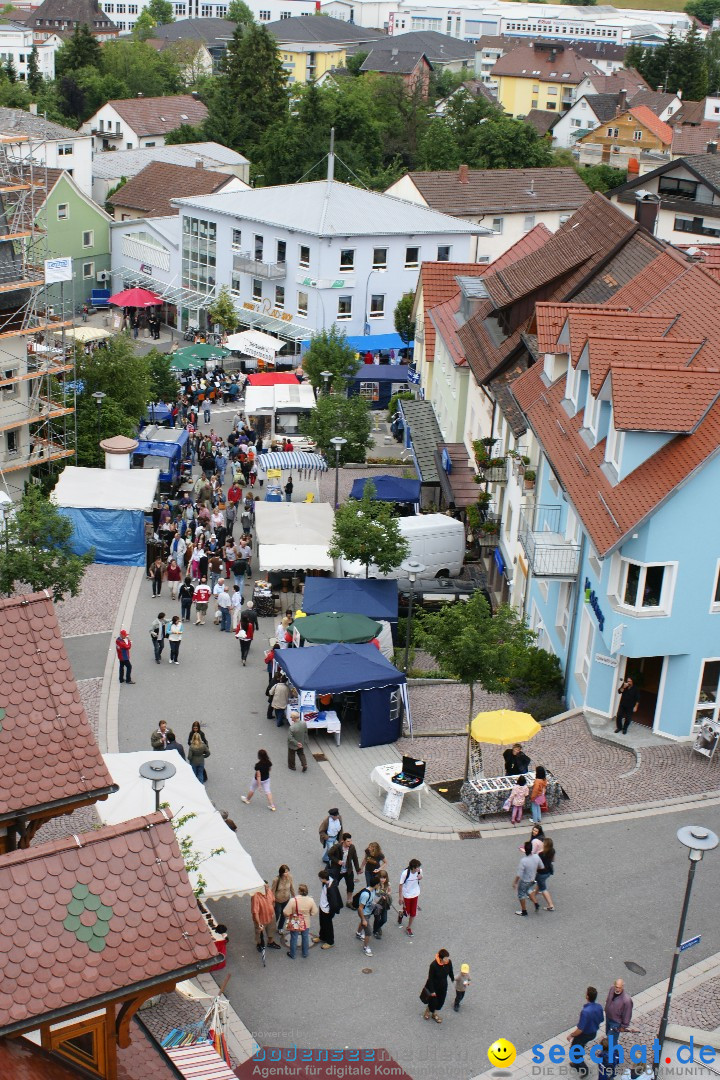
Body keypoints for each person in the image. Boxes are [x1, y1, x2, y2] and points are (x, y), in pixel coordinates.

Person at [566, 987, 604, 1075]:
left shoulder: (585, 1011)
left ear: (587, 996)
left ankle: (584, 1069)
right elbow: (601, 1019)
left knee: (574, 1050)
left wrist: (571, 1035)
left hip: (584, 1034)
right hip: (593, 1033)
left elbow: (580, 1029)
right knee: (580, 1047)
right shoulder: (599, 1007)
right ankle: (575, 1063)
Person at [284, 883, 318, 959]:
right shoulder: (310, 900)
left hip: (295, 921)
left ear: (299, 891)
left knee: (294, 937)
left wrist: (290, 915)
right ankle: (305, 953)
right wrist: (309, 914)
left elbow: (286, 912)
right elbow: (314, 911)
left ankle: (292, 954)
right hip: (306, 922)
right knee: (305, 937)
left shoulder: (293, 900)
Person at [421, 950, 454, 1024]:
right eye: (446, 958)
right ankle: (428, 1011)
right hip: (434, 986)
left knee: (440, 1002)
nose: (447, 959)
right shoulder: (433, 965)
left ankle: (434, 1013)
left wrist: (452, 977)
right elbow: (430, 978)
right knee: (433, 1002)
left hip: (443, 986)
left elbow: (450, 970)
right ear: (441, 958)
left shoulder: (448, 963)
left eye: (448, 958)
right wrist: (432, 991)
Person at [327, 833, 360, 907]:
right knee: (334, 885)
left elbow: (355, 858)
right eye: (348, 841)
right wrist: (337, 861)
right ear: (343, 841)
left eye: (350, 841)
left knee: (350, 885)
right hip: (337, 870)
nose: (350, 843)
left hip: (348, 870)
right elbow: (329, 854)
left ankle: (349, 902)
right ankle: (331, 900)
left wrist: (357, 869)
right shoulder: (337, 847)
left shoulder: (352, 847)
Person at [251, 882, 282, 953]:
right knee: (259, 933)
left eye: (267, 887)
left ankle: (270, 942)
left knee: (271, 929)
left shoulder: (269, 891)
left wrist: (272, 910)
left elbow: (273, 900)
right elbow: (255, 912)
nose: (267, 889)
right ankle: (259, 944)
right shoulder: (255, 896)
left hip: (271, 916)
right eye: (265, 887)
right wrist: (259, 924)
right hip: (261, 919)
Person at [514, 840, 542, 917]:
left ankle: (524, 911)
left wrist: (515, 882)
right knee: (528, 890)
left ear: (525, 850)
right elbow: (541, 867)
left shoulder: (524, 861)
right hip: (532, 879)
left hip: (525, 880)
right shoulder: (536, 857)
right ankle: (536, 903)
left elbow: (519, 874)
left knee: (521, 894)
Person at [317, 869, 342, 949]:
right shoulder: (328, 880)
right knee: (322, 923)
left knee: (328, 926)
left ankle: (330, 942)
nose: (320, 880)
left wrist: (330, 911)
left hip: (327, 910)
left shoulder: (331, 888)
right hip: (322, 906)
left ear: (324, 878)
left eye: (320, 878)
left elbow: (334, 904)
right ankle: (322, 937)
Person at [398, 859, 423, 936]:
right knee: (406, 912)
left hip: (415, 894)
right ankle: (401, 914)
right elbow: (400, 885)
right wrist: (400, 898)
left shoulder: (419, 871)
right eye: (417, 868)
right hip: (407, 895)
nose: (419, 869)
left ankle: (408, 928)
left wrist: (420, 877)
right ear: (413, 868)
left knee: (413, 913)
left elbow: (421, 877)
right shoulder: (405, 873)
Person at [271, 864, 296, 934]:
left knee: (284, 914)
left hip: (286, 899)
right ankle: (272, 927)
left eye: (288, 872)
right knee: (277, 913)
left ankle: (280, 927)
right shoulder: (276, 880)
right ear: (281, 872)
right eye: (285, 872)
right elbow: (272, 891)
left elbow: (292, 888)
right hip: (277, 900)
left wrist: (294, 897)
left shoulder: (290, 877)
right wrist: (272, 901)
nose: (287, 873)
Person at [354, 882, 376, 957]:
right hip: (364, 914)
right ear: (376, 885)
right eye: (379, 884)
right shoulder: (366, 895)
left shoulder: (373, 890)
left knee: (363, 924)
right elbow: (360, 908)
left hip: (367, 912)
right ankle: (365, 947)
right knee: (369, 932)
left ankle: (358, 933)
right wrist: (363, 919)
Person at [534, 837, 556, 911]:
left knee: (543, 889)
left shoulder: (541, 854)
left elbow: (538, 866)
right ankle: (534, 894)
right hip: (549, 871)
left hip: (542, 873)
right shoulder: (552, 850)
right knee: (540, 883)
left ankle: (551, 905)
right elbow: (553, 860)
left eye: (543, 843)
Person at [372, 869, 392, 940]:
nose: (383, 879)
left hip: (384, 904)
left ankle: (378, 927)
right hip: (377, 904)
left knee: (384, 919)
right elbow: (374, 893)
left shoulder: (388, 884)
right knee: (377, 918)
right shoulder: (376, 884)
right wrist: (380, 895)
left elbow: (389, 891)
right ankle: (375, 931)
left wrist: (386, 895)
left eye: (384, 878)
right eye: (381, 878)